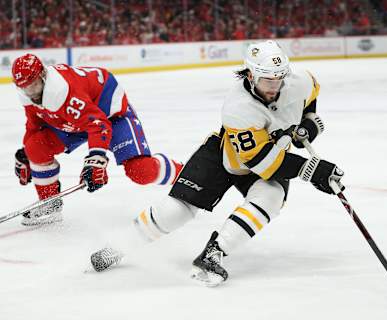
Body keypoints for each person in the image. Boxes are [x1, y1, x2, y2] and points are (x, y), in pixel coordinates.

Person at [90, 40, 344, 287]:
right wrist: (310, 170)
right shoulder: (238, 107)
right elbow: (262, 162)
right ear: (250, 74)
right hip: (225, 156)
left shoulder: (298, 82)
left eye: (279, 77)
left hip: (269, 155)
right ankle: (119, 246)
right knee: (177, 210)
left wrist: (308, 122)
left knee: (271, 197)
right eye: (267, 79)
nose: (274, 85)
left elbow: (312, 92)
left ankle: (213, 253)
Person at [12, 54, 182, 226]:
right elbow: (34, 125)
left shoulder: (63, 91)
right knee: (35, 147)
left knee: (141, 171)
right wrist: (27, 153)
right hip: (79, 120)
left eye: (34, 85)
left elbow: (99, 125)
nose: (31, 93)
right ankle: (49, 205)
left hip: (112, 115)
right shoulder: (30, 95)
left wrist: (96, 161)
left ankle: (186, 176)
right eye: (26, 88)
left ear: (43, 75)